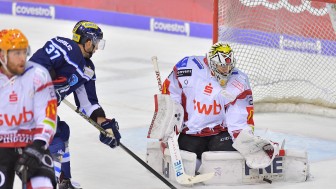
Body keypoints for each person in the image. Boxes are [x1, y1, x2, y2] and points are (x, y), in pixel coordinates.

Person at [29, 20, 121, 189]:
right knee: (55, 138)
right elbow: (34, 66)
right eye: (96, 43)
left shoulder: (88, 69)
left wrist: (104, 124)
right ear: (87, 42)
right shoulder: (64, 46)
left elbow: (88, 104)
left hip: (42, 111)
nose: (97, 48)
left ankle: (64, 180)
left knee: (62, 132)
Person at [161, 42, 254, 163]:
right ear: (212, 63)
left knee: (227, 160)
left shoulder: (239, 81)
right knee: (189, 160)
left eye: (229, 66)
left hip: (220, 134)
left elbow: (239, 117)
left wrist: (245, 142)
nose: (226, 70)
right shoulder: (188, 67)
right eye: (222, 66)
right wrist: (169, 119)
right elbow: (171, 92)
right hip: (192, 134)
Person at [0, 29, 57, 188]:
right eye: (16, 53)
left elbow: (48, 116)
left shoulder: (39, 74)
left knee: (44, 185)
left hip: (31, 142)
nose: (22, 58)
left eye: (24, 52)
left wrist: (38, 145)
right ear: (2, 55)